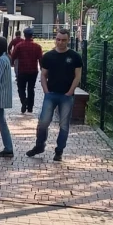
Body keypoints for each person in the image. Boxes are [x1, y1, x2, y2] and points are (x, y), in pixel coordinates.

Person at [25, 27, 83, 162]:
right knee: (43, 122)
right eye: (58, 39)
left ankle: (59, 151)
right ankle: (39, 145)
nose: (60, 42)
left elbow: (77, 76)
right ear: (55, 39)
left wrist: (70, 92)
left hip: (67, 96)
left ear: (68, 40)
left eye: (63, 40)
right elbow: (43, 75)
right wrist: (46, 91)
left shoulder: (75, 57)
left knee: (64, 125)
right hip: (51, 94)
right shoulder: (48, 56)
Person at [11, 27, 44, 113]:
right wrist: (42, 69)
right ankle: (30, 107)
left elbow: (13, 56)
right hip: (33, 71)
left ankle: (23, 102)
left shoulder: (19, 46)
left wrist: (12, 63)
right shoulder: (37, 47)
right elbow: (41, 59)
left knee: (21, 88)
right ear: (32, 35)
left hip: (22, 71)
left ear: (24, 35)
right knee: (31, 89)